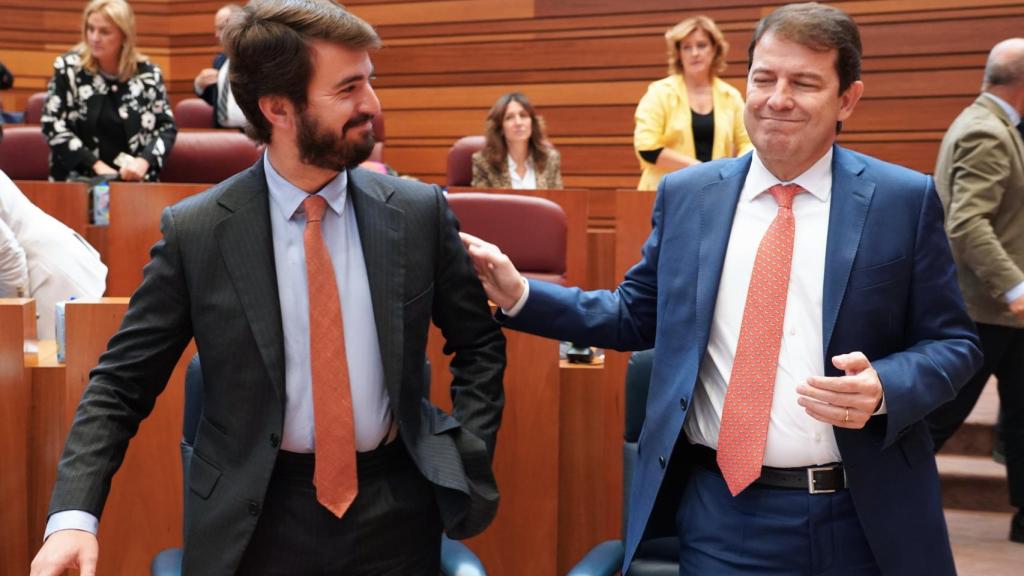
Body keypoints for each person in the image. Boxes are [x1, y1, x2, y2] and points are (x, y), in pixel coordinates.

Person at [463, 3, 981, 575]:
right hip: (723, 518)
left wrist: (887, 385)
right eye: (764, 78)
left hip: (863, 516)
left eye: (804, 82)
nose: (777, 98)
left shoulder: (902, 200)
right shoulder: (690, 196)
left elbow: (954, 344)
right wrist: (520, 295)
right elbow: (635, 315)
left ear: (847, 99)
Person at [30, 1, 505, 575]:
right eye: (349, 88)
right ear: (278, 108)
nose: (372, 106)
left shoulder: (417, 212)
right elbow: (120, 385)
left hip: (396, 510)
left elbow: (478, 345)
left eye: (369, 83)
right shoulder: (199, 232)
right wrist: (73, 519)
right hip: (252, 520)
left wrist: (465, 454)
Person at [927, 38, 1024, 545]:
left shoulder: (992, 123)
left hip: (999, 311)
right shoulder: (988, 131)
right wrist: (1014, 286)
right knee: (940, 415)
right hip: (986, 308)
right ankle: (875, 494)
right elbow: (967, 222)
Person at [40, 0, 176, 182]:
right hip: (78, 180)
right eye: (90, 29)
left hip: (133, 182)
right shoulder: (68, 69)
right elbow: (51, 124)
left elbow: (166, 127)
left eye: (104, 31)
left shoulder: (148, 75)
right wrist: (96, 166)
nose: (94, 37)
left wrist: (144, 161)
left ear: (124, 35)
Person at [633, 15, 753, 191]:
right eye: (686, 47)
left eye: (701, 45)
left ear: (714, 50)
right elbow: (646, 148)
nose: (694, 53)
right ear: (679, 54)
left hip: (715, 191)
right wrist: (699, 168)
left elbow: (748, 142)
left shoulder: (731, 96)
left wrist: (733, 171)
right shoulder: (659, 93)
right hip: (663, 193)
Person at [0, 167, 106, 339]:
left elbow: (7, 254)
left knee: (67, 360)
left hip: (49, 274)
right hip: (38, 267)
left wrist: (13, 320)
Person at [471, 92, 562, 189]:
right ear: (500, 128)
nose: (518, 123)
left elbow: (557, 201)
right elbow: (482, 203)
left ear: (532, 123)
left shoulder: (550, 160)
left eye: (523, 115)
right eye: (509, 117)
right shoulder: (484, 163)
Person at [193, 3, 248, 129]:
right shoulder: (220, 61)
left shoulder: (256, 60)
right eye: (216, 28)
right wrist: (199, 85)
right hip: (221, 133)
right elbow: (218, 101)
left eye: (222, 28)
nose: (217, 35)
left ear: (240, 26)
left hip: (251, 136)